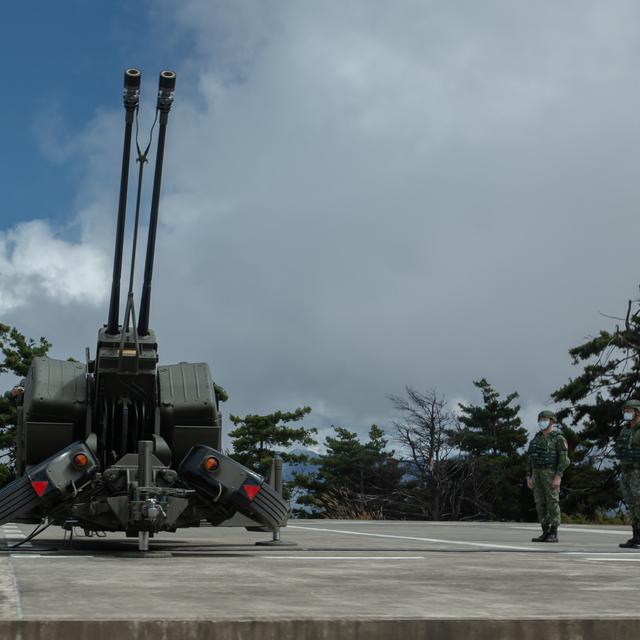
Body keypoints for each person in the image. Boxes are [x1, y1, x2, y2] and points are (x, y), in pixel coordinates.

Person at [526, 410, 570, 542]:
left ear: (552, 421)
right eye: (540, 419)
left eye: (545, 419)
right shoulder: (536, 438)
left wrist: (558, 476)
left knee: (552, 502)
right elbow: (530, 459)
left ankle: (553, 532)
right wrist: (528, 476)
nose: (542, 422)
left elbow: (564, 460)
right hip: (537, 473)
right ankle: (545, 531)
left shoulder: (558, 438)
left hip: (551, 473)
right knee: (540, 502)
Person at [615, 399, 640, 549]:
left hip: (638, 471)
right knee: (631, 504)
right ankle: (636, 535)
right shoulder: (625, 430)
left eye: (629, 410)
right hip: (626, 470)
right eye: (625, 411)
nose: (626, 413)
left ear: (637, 411)